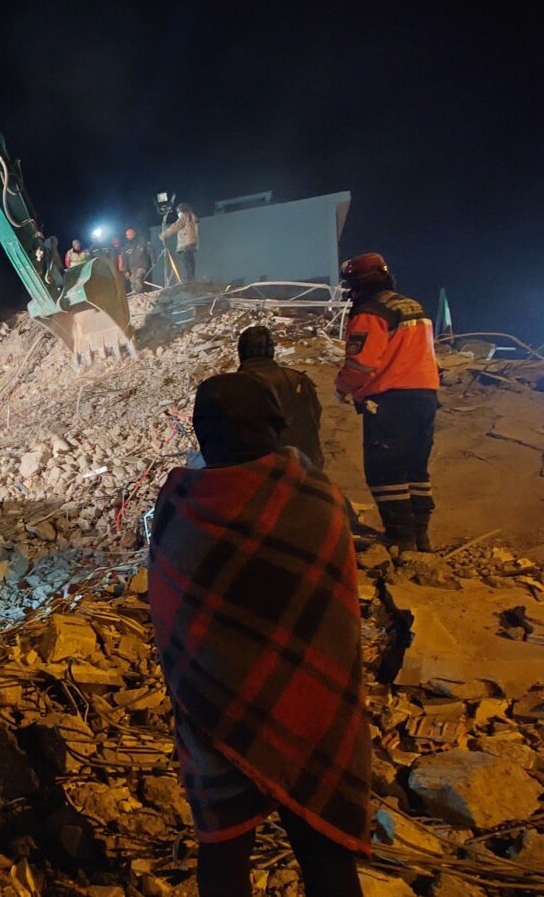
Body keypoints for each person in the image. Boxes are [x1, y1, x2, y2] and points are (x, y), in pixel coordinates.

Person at [149, 372, 370, 897]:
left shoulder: (180, 505)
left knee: (224, 853)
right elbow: (338, 620)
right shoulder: (319, 497)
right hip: (310, 708)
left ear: (203, 433)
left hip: (214, 712)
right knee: (325, 856)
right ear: (276, 424)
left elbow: (169, 615)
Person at [334, 253, 440, 552]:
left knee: (385, 469)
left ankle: (400, 538)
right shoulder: (412, 306)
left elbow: (361, 364)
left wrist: (342, 388)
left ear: (357, 283)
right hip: (425, 397)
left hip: (391, 399)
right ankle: (421, 538)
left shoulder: (370, 312)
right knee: (415, 470)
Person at [235, 325, 324, 468]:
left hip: (260, 474)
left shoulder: (232, 386)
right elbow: (314, 419)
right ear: (271, 352)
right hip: (306, 467)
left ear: (241, 353)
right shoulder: (299, 380)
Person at [160, 202, 199, 283]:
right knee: (189, 260)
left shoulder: (185, 216)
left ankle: (189, 279)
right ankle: (190, 278)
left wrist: (164, 234)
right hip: (192, 241)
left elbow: (176, 226)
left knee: (187, 260)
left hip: (187, 242)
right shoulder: (191, 216)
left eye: (178, 211)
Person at [121, 227, 152, 294]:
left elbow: (150, 250)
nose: (129, 236)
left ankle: (138, 293)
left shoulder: (142, 241)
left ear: (134, 234)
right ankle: (135, 296)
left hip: (142, 265)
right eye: (127, 235)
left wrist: (153, 260)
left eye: (130, 234)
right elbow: (125, 259)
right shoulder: (126, 246)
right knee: (133, 282)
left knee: (138, 279)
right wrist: (125, 270)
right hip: (132, 268)